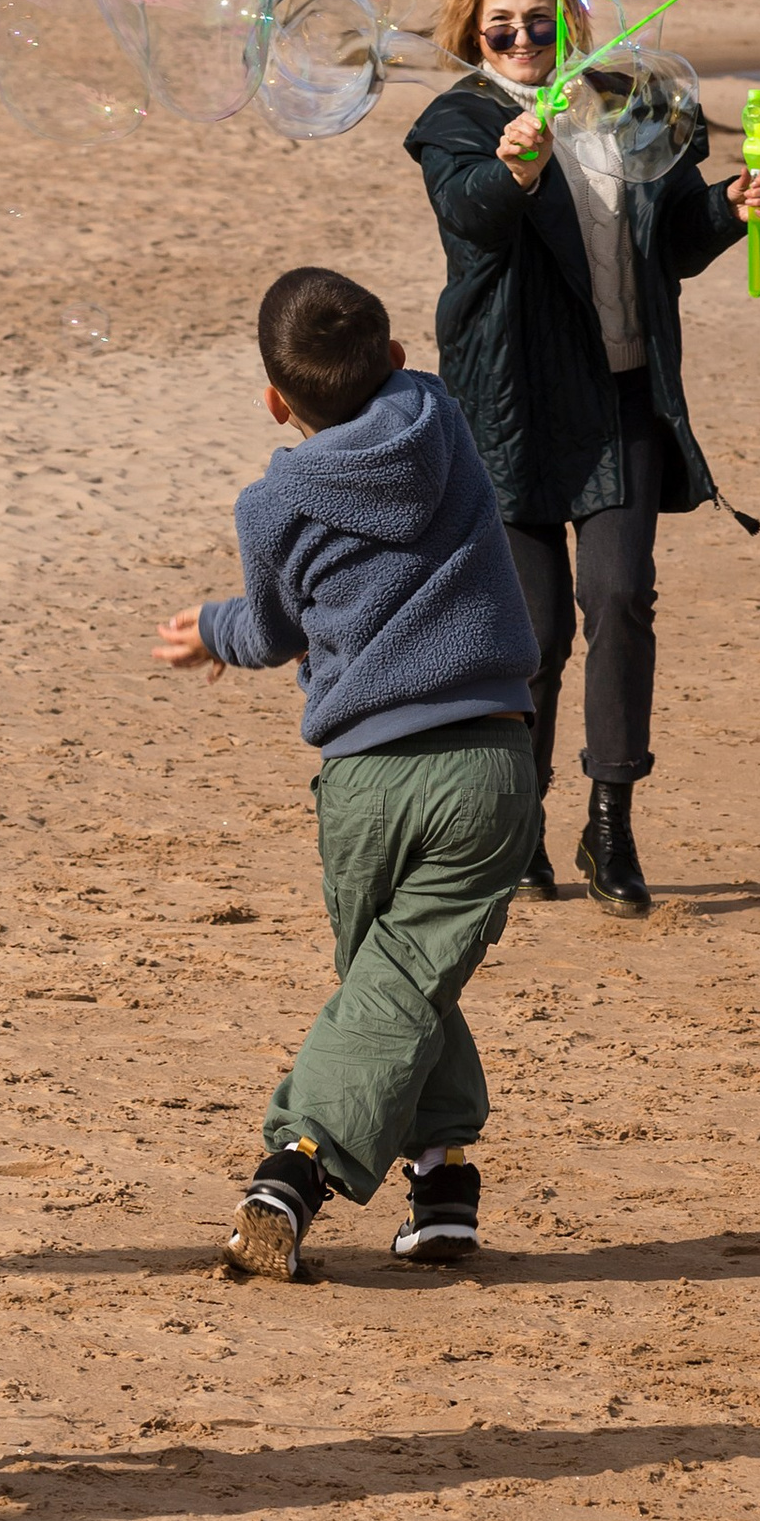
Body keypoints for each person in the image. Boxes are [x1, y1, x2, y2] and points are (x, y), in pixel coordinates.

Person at [154, 264, 539, 1279]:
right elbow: (408, 380)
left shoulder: (271, 504)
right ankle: (443, 1183)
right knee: (403, 979)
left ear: (274, 402)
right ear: (399, 357)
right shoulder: (439, 417)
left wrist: (212, 631)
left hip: (367, 778)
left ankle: (298, 1163)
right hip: (491, 764)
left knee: (394, 978)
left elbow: (274, 631)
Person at [402, 0, 760, 918]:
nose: (524, 39)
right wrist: (517, 167)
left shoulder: (633, 104)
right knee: (531, 634)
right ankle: (519, 820)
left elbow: (672, 241)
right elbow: (472, 217)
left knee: (620, 598)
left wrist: (728, 207)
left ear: (571, 18)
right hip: (511, 409)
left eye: (540, 19)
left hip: (621, 401)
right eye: (502, 26)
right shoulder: (458, 122)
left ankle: (610, 823)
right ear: (474, 33)